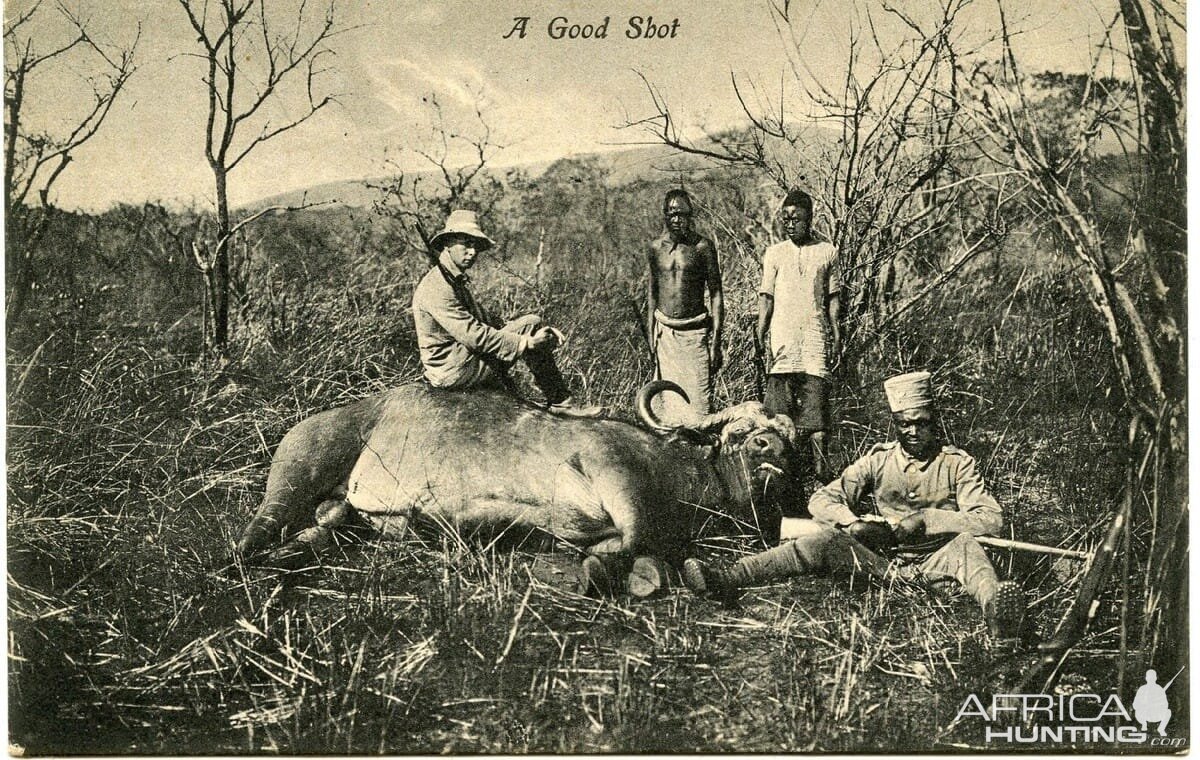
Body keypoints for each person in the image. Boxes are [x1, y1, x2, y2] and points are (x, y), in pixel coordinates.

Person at [682, 371, 1027, 644]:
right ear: (895, 423)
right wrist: (853, 524)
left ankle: (999, 614)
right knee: (824, 541)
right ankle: (728, 577)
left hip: (940, 557)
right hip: (882, 561)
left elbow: (991, 520)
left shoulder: (956, 465)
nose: (911, 432)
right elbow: (821, 500)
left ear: (934, 420)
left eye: (920, 423)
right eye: (903, 423)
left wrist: (926, 519)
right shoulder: (878, 460)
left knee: (969, 550)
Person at [412, 209, 605, 417]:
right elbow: (474, 335)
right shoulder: (438, 286)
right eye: (466, 243)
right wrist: (528, 342)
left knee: (529, 325)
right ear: (448, 243)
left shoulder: (453, 280)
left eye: (476, 246)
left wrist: (518, 333)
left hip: (459, 361)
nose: (473, 252)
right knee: (533, 322)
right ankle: (561, 401)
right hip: (452, 370)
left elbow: (486, 322)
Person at [757, 187, 840, 481]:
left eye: (798, 218)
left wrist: (836, 332)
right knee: (776, 420)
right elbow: (766, 296)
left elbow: (832, 298)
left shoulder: (827, 251)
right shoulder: (775, 254)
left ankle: (821, 479)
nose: (791, 224)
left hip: (815, 342)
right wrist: (761, 332)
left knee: (817, 423)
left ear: (810, 218)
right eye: (786, 218)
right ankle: (781, 481)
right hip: (783, 344)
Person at [646, 189, 723, 424]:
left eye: (682, 214)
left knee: (699, 409)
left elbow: (716, 294)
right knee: (666, 409)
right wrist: (651, 335)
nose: (677, 220)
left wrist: (716, 343)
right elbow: (652, 293)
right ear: (665, 216)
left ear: (691, 215)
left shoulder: (703, 247)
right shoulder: (655, 248)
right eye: (672, 214)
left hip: (694, 335)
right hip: (664, 336)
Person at [1133, 669, 1171, 736]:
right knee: (1137, 712)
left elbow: (1166, 705)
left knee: (1168, 712)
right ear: (1146, 678)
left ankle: (1161, 729)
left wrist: (1156, 705)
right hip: (1144, 715)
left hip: (1155, 714)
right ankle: (1144, 724)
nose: (1151, 679)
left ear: (1155, 678)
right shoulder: (1142, 689)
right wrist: (1143, 704)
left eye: (1152, 677)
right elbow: (1135, 705)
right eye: (1149, 677)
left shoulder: (1159, 689)